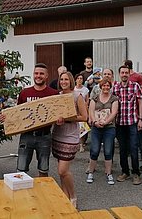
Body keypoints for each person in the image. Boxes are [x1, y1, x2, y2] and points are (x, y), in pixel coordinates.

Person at [0, 63, 58, 177]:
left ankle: (42, 192)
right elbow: (17, 113)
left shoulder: (53, 94)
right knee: (21, 170)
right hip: (26, 136)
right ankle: (22, 193)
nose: (38, 76)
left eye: (41, 74)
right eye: (36, 73)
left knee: (43, 170)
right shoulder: (25, 93)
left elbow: (57, 113)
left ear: (46, 76)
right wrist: (5, 118)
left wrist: (59, 120)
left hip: (44, 137)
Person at [52, 71, 88, 208]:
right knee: (62, 172)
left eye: (66, 79)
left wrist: (67, 118)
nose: (63, 82)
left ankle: (73, 196)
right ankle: (64, 196)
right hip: (57, 135)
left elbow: (84, 117)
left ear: (71, 81)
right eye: (61, 79)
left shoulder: (77, 96)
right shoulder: (58, 96)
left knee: (63, 170)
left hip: (70, 137)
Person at [112, 65, 142, 185]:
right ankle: (125, 171)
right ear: (119, 74)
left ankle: (136, 173)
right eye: (122, 72)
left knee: (134, 148)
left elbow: (140, 102)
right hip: (119, 123)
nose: (124, 74)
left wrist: (140, 118)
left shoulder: (135, 86)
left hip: (132, 122)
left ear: (129, 74)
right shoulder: (115, 87)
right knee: (122, 149)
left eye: (126, 72)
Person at [86, 77, 119, 185]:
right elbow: (91, 111)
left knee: (108, 151)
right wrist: (95, 122)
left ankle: (109, 173)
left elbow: (114, 113)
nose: (106, 87)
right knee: (94, 150)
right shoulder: (95, 98)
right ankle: (91, 172)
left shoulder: (114, 99)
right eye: (104, 85)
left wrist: (105, 122)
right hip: (96, 127)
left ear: (110, 87)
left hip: (109, 128)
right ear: (100, 86)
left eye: (108, 85)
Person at [74, 73, 89, 152]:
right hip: (75, 111)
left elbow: (87, 100)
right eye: (78, 78)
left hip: (83, 111)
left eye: (81, 78)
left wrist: (84, 108)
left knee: (83, 128)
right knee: (76, 127)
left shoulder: (85, 90)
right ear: (75, 79)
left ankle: (81, 144)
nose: (79, 80)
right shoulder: (73, 89)